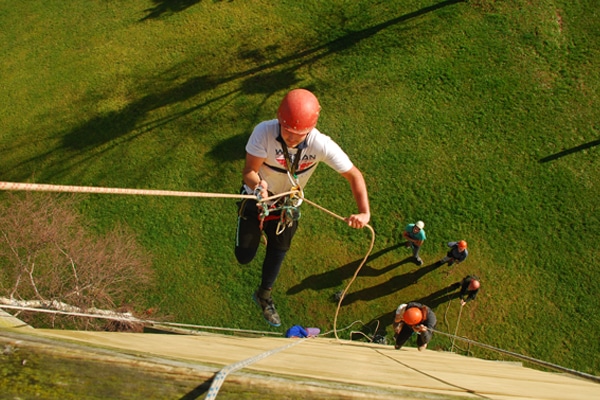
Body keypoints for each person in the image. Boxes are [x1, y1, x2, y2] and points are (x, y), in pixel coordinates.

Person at [235, 88, 370, 327]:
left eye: (300, 133)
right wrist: (259, 188)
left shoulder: (320, 144)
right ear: (278, 119)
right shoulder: (264, 132)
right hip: (257, 199)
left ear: (311, 129)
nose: (292, 138)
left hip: (287, 204)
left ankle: (264, 295)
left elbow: (354, 175)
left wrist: (364, 212)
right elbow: (249, 172)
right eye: (287, 130)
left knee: (279, 250)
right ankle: (257, 234)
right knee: (244, 257)